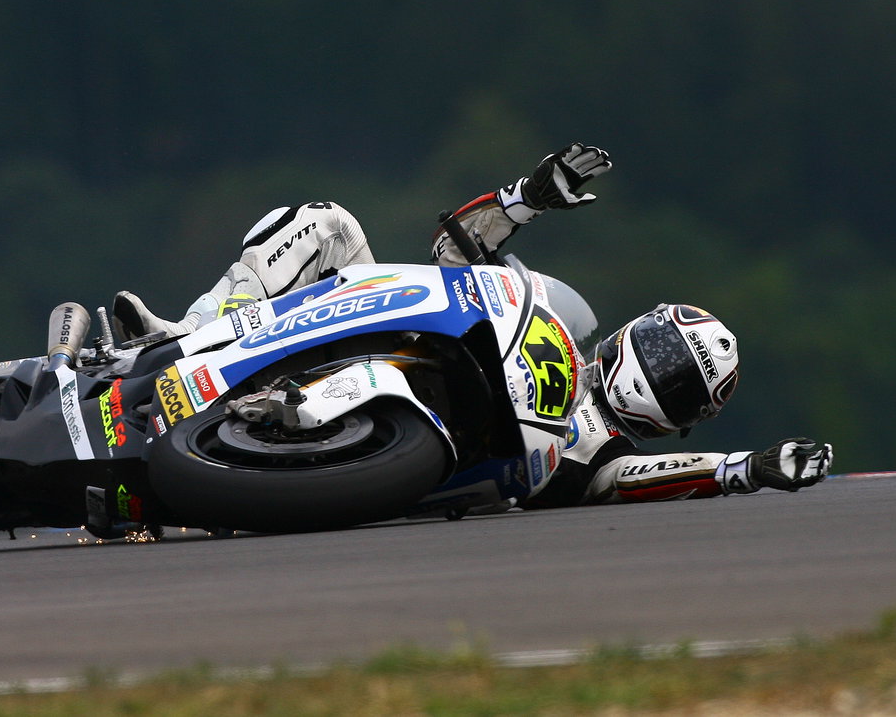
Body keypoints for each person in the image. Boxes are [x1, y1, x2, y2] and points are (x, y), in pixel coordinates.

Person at [109, 143, 833, 507]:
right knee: (325, 224)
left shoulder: (604, 461)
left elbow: (651, 479)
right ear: (634, 330)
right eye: (662, 350)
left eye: (677, 381)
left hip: (415, 468)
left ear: (680, 421)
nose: (657, 371)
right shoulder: (558, 318)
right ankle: (182, 334)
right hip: (403, 327)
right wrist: (527, 199)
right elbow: (457, 253)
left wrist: (745, 469)